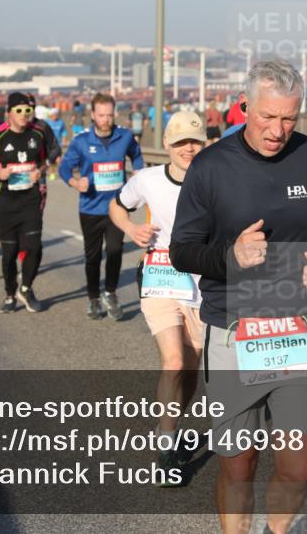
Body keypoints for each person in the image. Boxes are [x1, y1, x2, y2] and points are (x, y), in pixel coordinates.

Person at [170, 60, 307, 534]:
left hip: (299, 330)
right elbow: (182, 251)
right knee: (239, 465)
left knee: (297, 467)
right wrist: (230, 256)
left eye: (289, 119)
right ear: (244, 107)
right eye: (266, 117)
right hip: (233, 332)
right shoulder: (211, 167)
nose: (277, 131)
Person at [108, 110, 207, 480]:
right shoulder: (147, 180)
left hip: (201, 285)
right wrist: (131, 229)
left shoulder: (216, 181)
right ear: (166, 144)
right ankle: (165, 447)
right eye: (181, 142)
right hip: (161, 277)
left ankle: (173, 426)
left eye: (195, 141)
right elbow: (116, 205)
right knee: (174, 361)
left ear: (205, 142)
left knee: (192, 372)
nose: (188, 149)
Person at [59, 93, 144, 319]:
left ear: (114, 114)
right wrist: (76, 182)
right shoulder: (81, 141)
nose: (106, 119)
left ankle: (111, 292)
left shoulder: (124, 137)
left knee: (115, 250)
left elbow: (136, 156)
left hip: (117, 207)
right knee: (93, 256)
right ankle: (93, 298)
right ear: (92, 115)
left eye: (109, 115)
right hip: (90, 208)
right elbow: (64, 169)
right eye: (101, 115)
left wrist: (138, 173)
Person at [0, 92, 49, 313]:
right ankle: (10, 293)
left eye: (28, 111)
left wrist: (39, 171)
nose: (24, 115)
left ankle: (26, 288)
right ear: (9, 112)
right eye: (19, 111)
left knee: (34, 247)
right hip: (4, 201)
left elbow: (44, 161)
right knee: (9, 252)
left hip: (30, 199)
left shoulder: (37, 134)